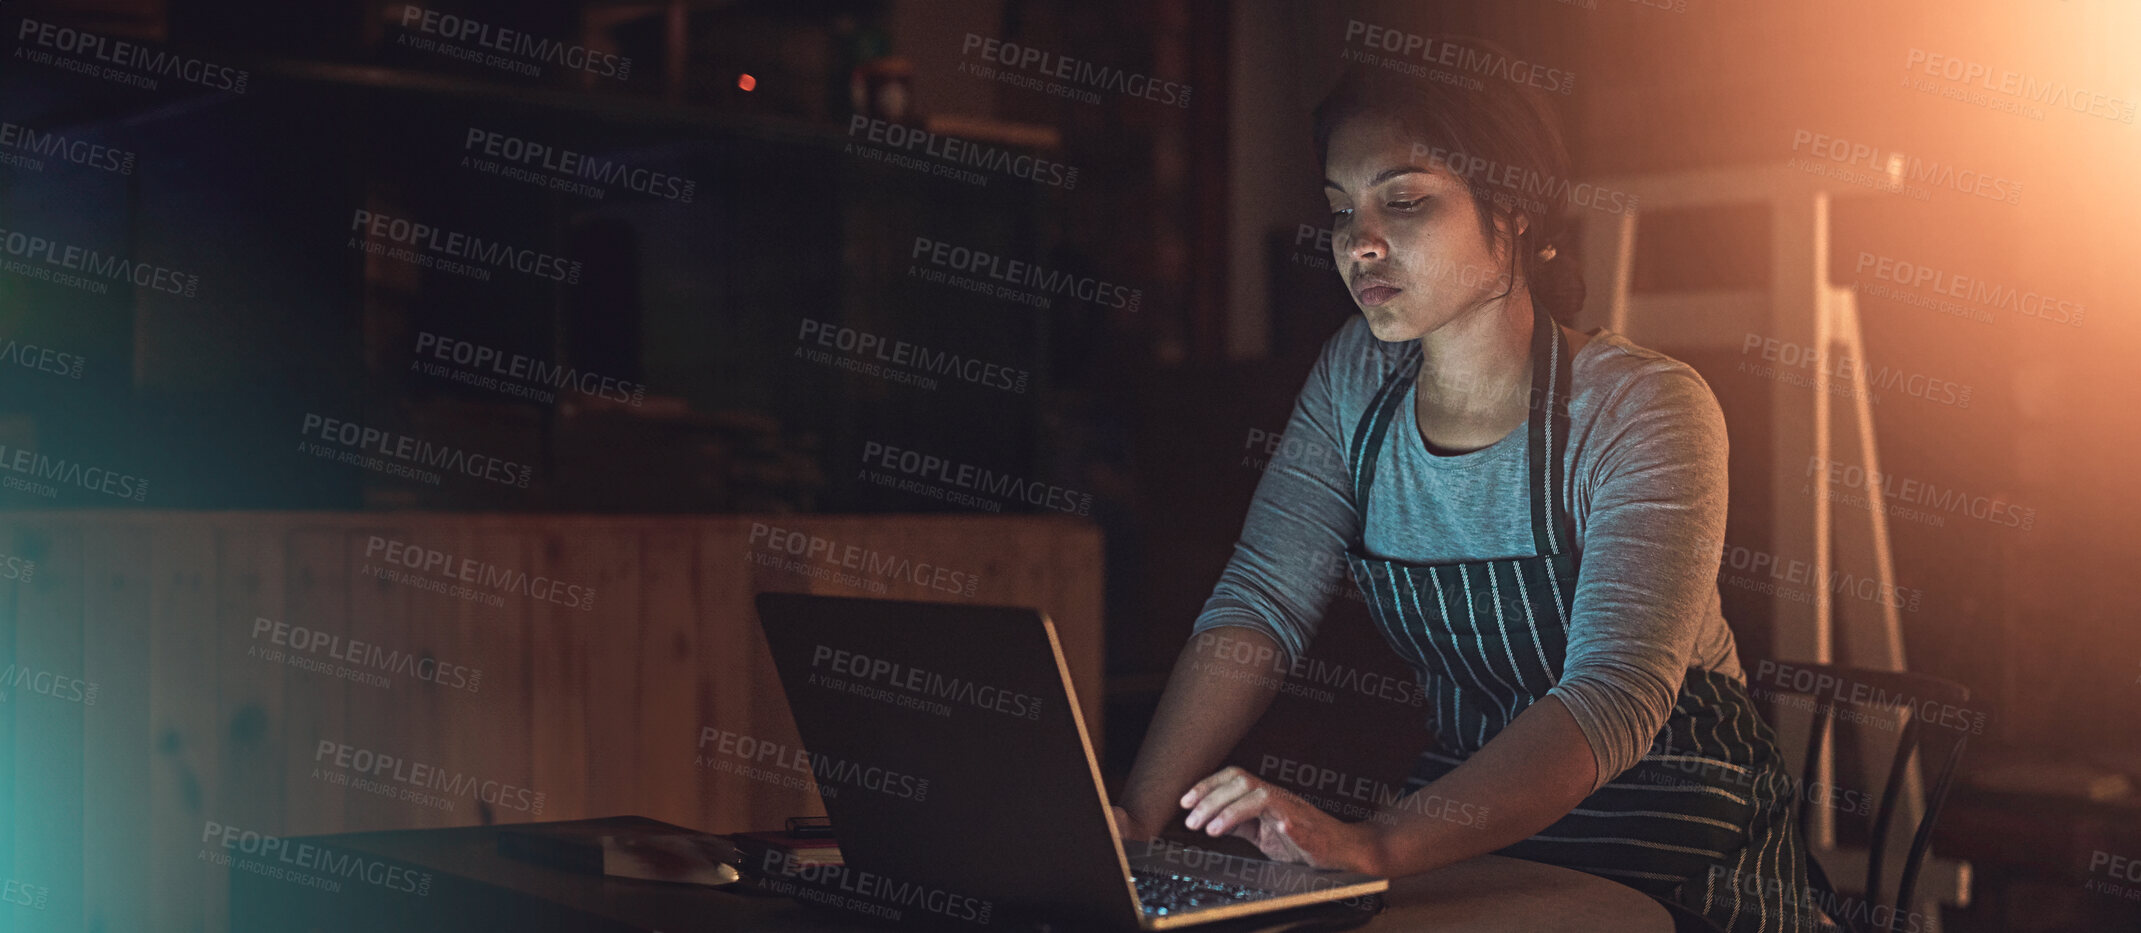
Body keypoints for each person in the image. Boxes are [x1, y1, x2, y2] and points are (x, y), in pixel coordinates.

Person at [1110, 39, 1816, 933]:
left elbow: (1614, 693)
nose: (1359, 243)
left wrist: (1377, 848)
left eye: (1403, 201)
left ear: (1512, 208)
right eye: (1339, 211)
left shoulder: (1642, 406)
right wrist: (1135, 817)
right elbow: (1257, 606)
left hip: (1666, 823)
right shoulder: (1353, 380)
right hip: (1461, 827)